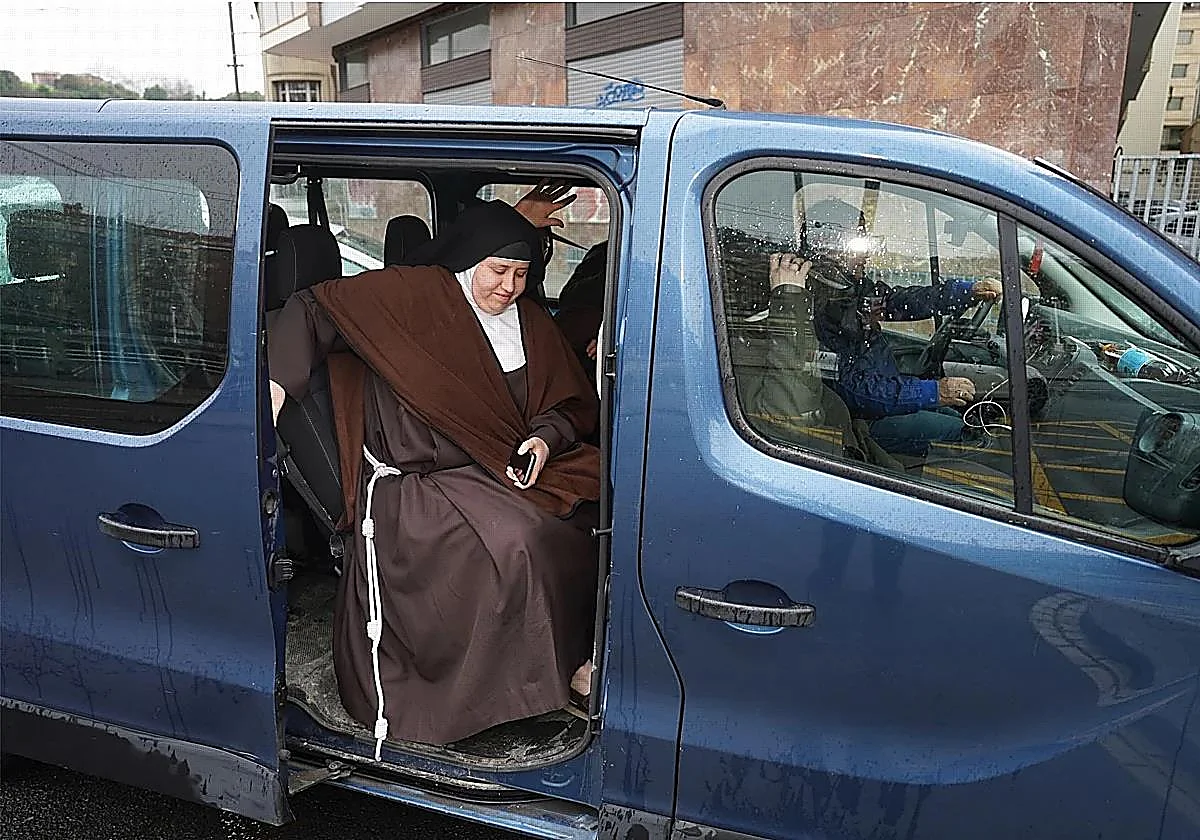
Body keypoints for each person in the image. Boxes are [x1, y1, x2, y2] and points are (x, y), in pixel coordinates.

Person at [268, 198, 600, 755]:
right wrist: (275, 390)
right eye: (498, 272)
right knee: (522, 541)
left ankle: (567, 664)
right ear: (469, 263)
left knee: (590, 510)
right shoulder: (413, 299)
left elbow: (568, 401)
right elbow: (311, 308)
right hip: (416, 485)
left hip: (496, 466)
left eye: (522, 275)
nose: (509, 288)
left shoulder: (531, 322)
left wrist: (545, 438)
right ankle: (504, 694)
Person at [799, 198, 1001, 458]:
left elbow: (901, 302)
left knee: (960, 415)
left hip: (884, 400)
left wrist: (966, 292)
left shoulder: (851, 291)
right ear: (830, 245)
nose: (866, 252)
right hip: (863, 421)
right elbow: (855, 389)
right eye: (857, 241)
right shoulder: (818, 307)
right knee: (967, 435)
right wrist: (934, 391)